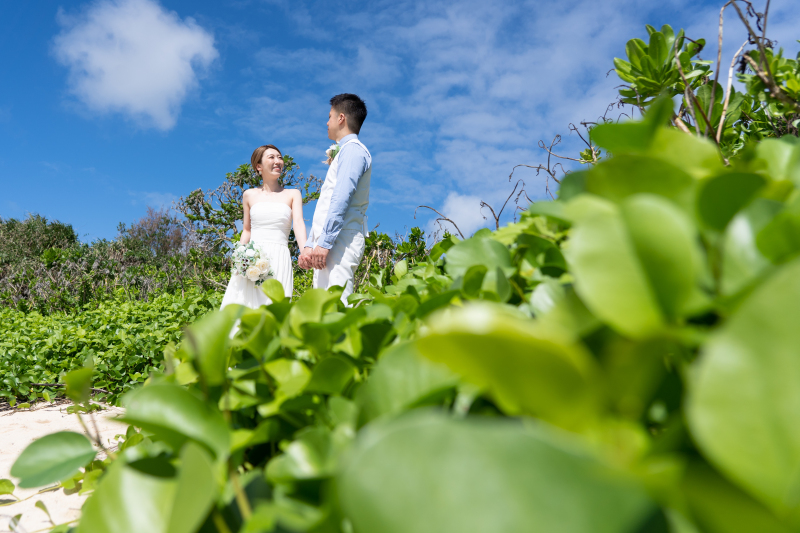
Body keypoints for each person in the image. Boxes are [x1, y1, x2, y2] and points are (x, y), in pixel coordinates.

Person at [299, 94, 371, 304]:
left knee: (339, 303)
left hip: (341, 240)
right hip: (330, 241)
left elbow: (342, 197)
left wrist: (325, 242)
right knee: (323, 306)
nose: (326, 122)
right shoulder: (345, 151)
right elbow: (326, 203)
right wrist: (311, 244)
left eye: (329, 116)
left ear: (341, 118)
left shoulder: (353, 150)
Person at [220, 144, 307, 309]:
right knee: (243, 307)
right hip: (252, 257)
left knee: (275, 307)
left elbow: (298, 223)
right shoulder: (249, 195)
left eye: (279, 157)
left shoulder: (293, 194)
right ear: (258, 166)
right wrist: (239, 259)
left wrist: (305, 252)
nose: (277, 161)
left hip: (279, 257)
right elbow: (247, 230)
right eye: (271, 157)